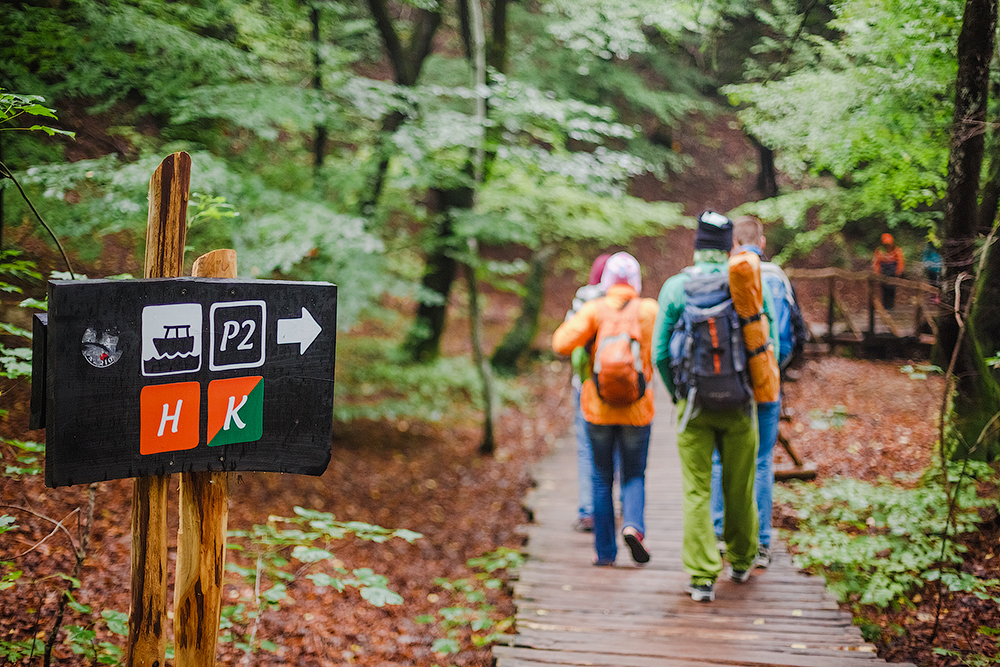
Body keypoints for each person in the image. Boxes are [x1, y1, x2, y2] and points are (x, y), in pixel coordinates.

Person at [652, 211, 779, 602]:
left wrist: (679, 393)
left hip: (693, 407)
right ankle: (741, 562)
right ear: (730, 247)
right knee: (739, 485)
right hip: (741, 406)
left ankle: (702, 577)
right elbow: (767, 339)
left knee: (696, 491)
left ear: (696, 244)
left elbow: (658, 352)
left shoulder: (675, 287)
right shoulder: (746, 283)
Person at [553, 252, 659, 566]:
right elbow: (662, 348)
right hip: (637, 408)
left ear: (606, 282)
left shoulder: (593, 310)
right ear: (636, 280)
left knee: (601, 477)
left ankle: (605, 552)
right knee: (634, 474)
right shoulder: (649, 310)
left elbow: (560, 343)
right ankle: (633, 527)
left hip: (597, 408)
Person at [709, 215, 793, 572]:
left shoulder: (723, 273)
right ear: (761, 243)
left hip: (731, 386)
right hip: (766, 385)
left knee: (719, 461)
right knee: (760, 463)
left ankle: (718, 534)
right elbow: (784, 339)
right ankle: (759, 543)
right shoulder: (774, 276)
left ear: (732, 244)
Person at [565, 253, 612, 533]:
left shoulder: (583, 298)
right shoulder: (626, 301)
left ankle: (588, 510)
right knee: (615, 449)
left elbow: (568, 339)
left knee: (586, 448)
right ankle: (611, 504)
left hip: (584, 384)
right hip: (620, 387)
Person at [873, 233, 905, 309]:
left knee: (892, 290)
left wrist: (899, 272)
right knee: (884, 290)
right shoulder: (879, 251)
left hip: (893, 273)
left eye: (889, 244)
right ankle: (885, 306)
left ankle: (891, 306)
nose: (887, 245)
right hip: (883, 273)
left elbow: (901, 262)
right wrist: (877, 272)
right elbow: (876, 262)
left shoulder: (897, 251)